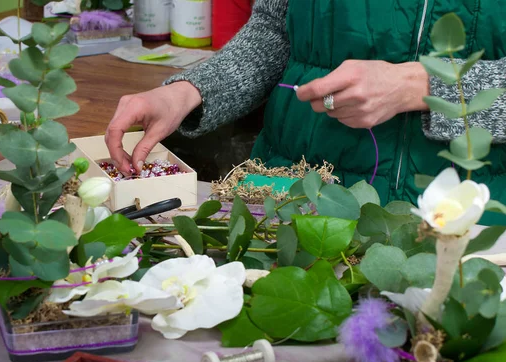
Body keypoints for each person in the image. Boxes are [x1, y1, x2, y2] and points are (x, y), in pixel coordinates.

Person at [105, 0, 506, 225]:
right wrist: (188, 91)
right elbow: (276, 30)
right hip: (289, 198)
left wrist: (426, 86)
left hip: (468, 219)